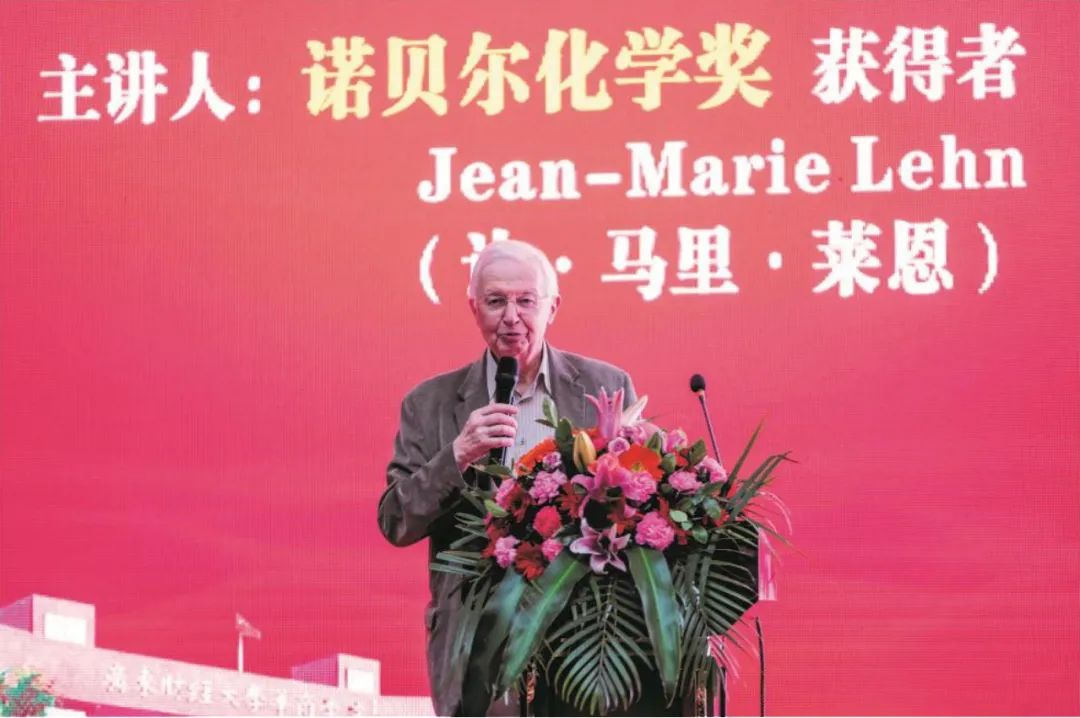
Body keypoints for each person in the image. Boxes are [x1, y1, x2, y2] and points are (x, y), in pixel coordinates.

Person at [377, 239, 636, 716]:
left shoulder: (604, 387)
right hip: (478, 637)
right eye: (496, 301)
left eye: (525, 301)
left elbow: (634, 501)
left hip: (587, 638)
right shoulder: (430, 403)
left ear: (552, 307)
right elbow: (396, 520)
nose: (511, 317)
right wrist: (458, 455)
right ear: (474, 308)